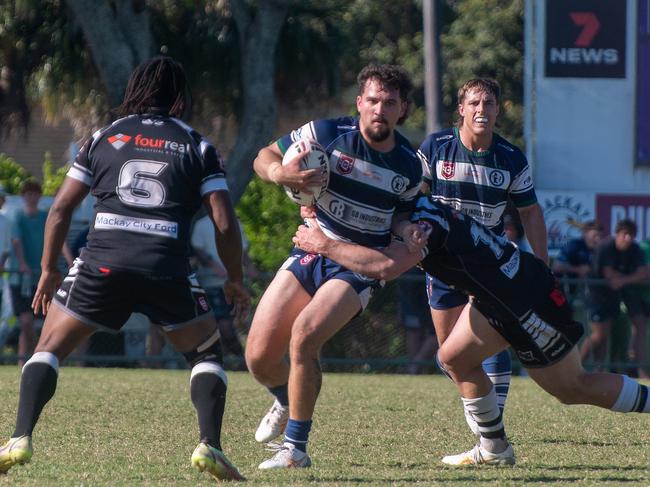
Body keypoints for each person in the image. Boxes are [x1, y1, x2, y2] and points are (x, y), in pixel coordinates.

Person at [0, 56, 250, 481]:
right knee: (206, 353)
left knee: (47, 349)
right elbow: (225, 224)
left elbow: (60, 209)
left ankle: (19, 437)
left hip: (102, 265)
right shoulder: (198, 145)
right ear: (179, 99)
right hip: (166, 268)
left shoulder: (103, 137)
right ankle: (210, 445)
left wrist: (48, 270)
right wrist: (235, 279)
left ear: (133, 92)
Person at [293, 194, 650, 466]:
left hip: (525, 300)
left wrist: (322, 244)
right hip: (497, 297)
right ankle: (494, 448)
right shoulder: (412, 211)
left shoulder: (424, 224)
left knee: (573, 387)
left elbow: (385, 267)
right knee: (453, 358)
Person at [245, 64, 423, 469]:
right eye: (373, 100)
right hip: (311, 247)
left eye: (390, 103)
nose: (380, 109)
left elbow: (401, 214)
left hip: (356, 265)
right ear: (360, 103)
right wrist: (279, 172)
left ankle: (296, 449)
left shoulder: (410, 164)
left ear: (403, 110)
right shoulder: (325, 134)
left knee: (305, 336)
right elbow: (264, 156)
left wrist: (408, 227)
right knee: (257, 357)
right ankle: (285, 399)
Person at [417, 78, 548, 459]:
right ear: (461, 109)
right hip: (440, 260)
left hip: (487, 259)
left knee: (489, 336)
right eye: (474, 102)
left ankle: (491, 434)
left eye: (489, 103)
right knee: (450, 355)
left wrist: (541, 265)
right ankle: (486, 428)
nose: (481, 110)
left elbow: (530, 211)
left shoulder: (510, 157)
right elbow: (410, 192)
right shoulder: (436, 147)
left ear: (497, 110)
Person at [581, 219, 649, 378]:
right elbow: (609, 276)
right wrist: (631, 277)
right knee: (599, 335)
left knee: (607, 333)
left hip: (615, 295)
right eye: (625, 234)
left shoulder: (634, 249)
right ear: (617, 234)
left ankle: (599, 371)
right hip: (596, 294)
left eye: (631, 235)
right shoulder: (605, 247)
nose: (628, 238)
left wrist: (624, 280)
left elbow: (643, 274)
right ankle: (578, 367)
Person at [191, 214, 257, 367]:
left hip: (234, 284)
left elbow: (242, 249)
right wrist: (214, 266)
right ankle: (238, 362)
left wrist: (249, 266)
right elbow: (198, 250)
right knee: (222, 326)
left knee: (238, 324)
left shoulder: (234, 222)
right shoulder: (202, 224)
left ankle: (240, 362)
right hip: (211, 284)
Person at [8, 180, 48, 365]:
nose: (32, 197)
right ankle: (23, 360)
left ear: (40, 196)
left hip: (41, 279)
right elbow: (16, 241)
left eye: (35, 193)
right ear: (23, 196)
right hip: (21, 278)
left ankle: (33, 359)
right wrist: (23, 263)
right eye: (28, 193)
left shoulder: (45, 216)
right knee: (26, 322)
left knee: (43, 325)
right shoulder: (17, 216)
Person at [399, 268, 437, 374]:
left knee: (436, 332)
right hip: (412, 276)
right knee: (414, 329)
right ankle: (415, 369)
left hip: (433, 275)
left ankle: (415, 367)